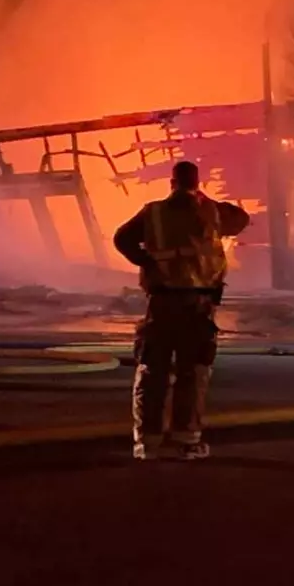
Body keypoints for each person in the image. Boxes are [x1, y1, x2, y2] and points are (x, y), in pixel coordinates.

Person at [113, 160, 250, 460]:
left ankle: (147, 442)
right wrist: (204, 201)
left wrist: (146, 261)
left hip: (161, 303)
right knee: (193, 371)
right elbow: (241, 219)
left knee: (153, 369)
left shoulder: (153, 213)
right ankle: (187, 441)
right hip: (198, 305)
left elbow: (121, 238)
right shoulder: (211, 212)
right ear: (196, 184)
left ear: (171, 183)